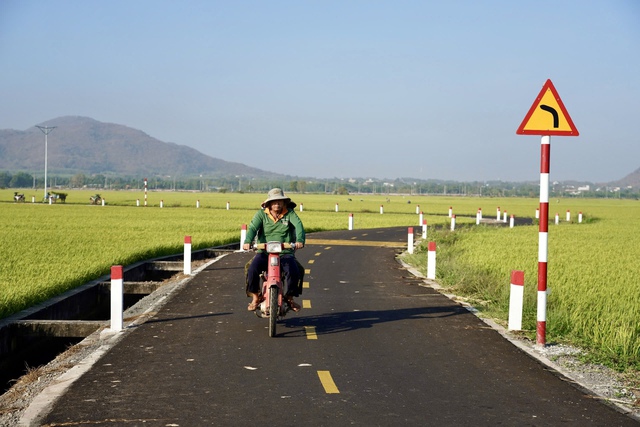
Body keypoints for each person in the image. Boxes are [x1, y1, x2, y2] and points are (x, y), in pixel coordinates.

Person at [243, 188, 305, 312]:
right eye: (274, 201)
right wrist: (247, 241)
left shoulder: (290, 213)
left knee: (296, 271)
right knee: (251, 269)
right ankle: (255, 297)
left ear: (284, 203)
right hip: (264, 251)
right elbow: (252, 228)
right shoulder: (261, 214)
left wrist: (300, 240)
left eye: (280, 201)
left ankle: (290, 297)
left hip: (285, 252)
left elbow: (299, 226)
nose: (277, 204)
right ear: (269, 203)